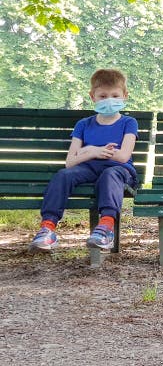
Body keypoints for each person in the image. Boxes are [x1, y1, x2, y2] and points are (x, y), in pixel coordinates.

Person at [29, 69, 139, 253]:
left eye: (114, 95)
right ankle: (48, 228)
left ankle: (106, 228)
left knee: (109, 174)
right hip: (88, 168)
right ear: (92, 96)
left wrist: (87, 150)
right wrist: (93, 151)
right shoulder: (83, 124)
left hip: (119, 171)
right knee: (64, 175)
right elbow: (70, 162)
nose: (108, 100)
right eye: (103, 96)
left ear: (124, 96)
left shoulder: (129, 122)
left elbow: (123, 156)